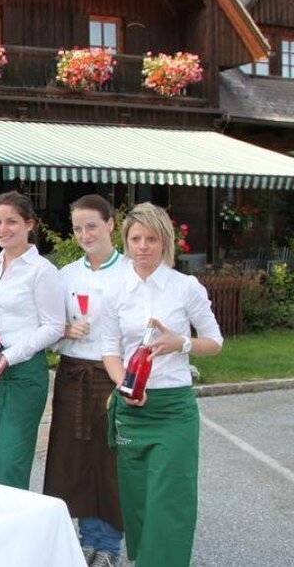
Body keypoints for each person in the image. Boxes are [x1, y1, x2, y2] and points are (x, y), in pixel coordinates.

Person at [101, 202, 222, 567]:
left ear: (165, 241)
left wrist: (181, 343)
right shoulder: (115, 290)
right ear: (125, 241)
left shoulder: (185, 287)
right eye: (135, 238)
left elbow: (215, 342)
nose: (142, 246)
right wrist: (126, 385)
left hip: (173, 409)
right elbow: (109, 351)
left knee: (170, 499)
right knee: (137, 498)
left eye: (151, 238)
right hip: (133, 409)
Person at [43, 194, 130, 567]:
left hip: (111, 375)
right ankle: (84, 540)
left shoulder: (130, 273)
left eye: (91, 226)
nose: (84, 235)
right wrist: (66, 329)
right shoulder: (66, 276)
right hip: (72, 374)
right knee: (73, 460)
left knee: (108, 462)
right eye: (78, 229)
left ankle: (108, 544)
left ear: (111, 224)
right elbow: (49, 331)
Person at [0, 190, 65, 489]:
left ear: (29, 225)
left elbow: (54, 326)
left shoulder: (42, 271)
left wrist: (9, 357)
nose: (2, 229)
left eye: (11, 221)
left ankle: (15, 529)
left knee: (12, 458)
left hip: (23, 374)